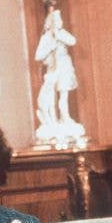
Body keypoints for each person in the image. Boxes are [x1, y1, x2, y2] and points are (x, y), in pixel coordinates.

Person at [34, 8, 86, 145]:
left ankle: (65, 117)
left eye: (60, 20)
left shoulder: (62, 34)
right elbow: (38, 56)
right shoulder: (46, 38)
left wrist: (59, 36)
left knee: (64, 95)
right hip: (53, 69)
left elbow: (72, 41)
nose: (59, 22)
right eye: (56, 20)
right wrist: (50, 47)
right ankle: (52, 121)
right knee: (50, 96)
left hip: (64, 66)